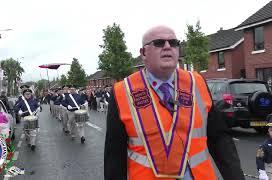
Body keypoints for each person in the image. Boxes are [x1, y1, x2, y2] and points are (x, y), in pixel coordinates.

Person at [104, 25, 245, 180]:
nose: (167, 47)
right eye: (159, 43)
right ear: (143, 53)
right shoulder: (122, 92)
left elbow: (219, 138)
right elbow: (114, 156)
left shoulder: (197, 83)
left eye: (173, 42)